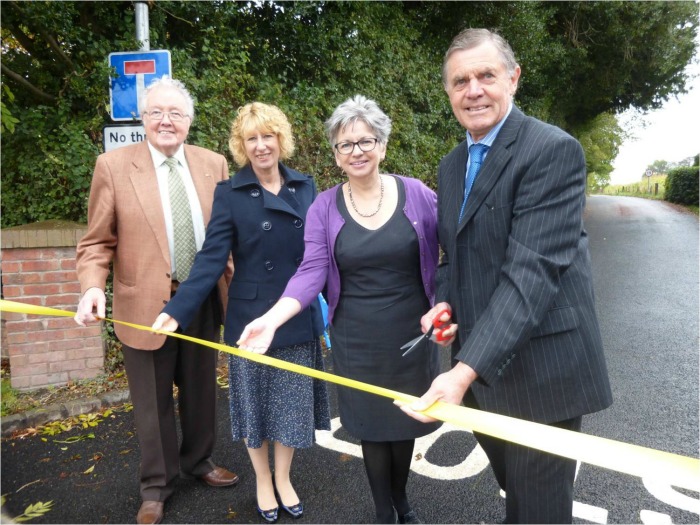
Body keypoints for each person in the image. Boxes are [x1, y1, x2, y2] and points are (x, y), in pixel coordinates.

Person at [396, 28, 613, 524]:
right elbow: (455, 256)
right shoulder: (451, 166)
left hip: (544, 373)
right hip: (481, 374)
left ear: (513, 79)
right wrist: (445, 303)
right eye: (460, 81)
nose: (473, 90)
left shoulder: (552, 151)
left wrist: (461, 370)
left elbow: (531, 274)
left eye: (486, 75)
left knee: (538, 512)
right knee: (515, 497)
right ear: (448, 93)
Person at [236, 95, 441, 524]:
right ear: (335, 155)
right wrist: (271, 320)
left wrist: (447, 305)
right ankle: (384, 513)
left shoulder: (418, 195)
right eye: (345, 145)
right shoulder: (324, 207)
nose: (357, 151)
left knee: (404, 425)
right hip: (355, 336)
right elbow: (310, 272)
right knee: (370, 427)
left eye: (366, 141)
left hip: (410, 333)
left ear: (382, 146)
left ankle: (402, 501)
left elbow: (450, 253)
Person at [151, 102, 331, 524]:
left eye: (268, 136)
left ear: (280, 139)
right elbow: (211, 259)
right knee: (255, 408)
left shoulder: (306, 188)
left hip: (296, 315)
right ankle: (262, 479)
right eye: (252, 138)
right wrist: (177, 310)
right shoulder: (229, 193)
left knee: (291, 407)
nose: (261, 145)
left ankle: (283, 477)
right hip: (251, 318)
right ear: (241, 146)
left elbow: (324, 255)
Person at [74, 76, 239, 525]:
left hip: (202, 300)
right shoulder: (113, 166)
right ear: (143, 118)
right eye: (156, 113)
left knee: (202, 391)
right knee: (152, 403)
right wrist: (92, 285)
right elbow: (96, 242)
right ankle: (156, 486)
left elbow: (227, 240)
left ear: (190, 120)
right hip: (144, 304)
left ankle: (199, 461)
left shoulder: (214, 164)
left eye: (177, 113)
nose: (167, 121)